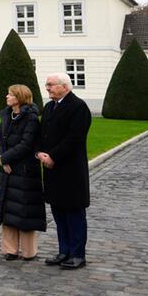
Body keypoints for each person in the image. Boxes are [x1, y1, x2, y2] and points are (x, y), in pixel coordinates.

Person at [36, 73, 92, 270]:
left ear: (65, 86)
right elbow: (43, 134)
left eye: (51, 85)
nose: (47, 88)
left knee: (74, 213)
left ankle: (77, 254)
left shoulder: (78, 107)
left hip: (70, 170)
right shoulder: (50, 107)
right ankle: (64, 251)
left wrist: (53, 157)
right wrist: (41, 153)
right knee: (59, 213)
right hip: (52, 170)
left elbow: (75, 139)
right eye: (47, 84)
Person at [0, 84, 46, 261]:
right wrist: (0, 158)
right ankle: (10, 250)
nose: (6, 97)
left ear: (19, 97)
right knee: (7, 209)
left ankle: (29, 251)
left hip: (24, 170)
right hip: (7, 169)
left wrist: (6, 158)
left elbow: (26, 144)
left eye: (10, 94)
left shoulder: (31, 118)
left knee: (25, 210)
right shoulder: (7, 115)